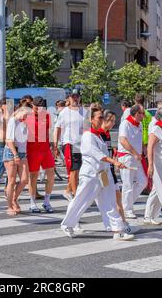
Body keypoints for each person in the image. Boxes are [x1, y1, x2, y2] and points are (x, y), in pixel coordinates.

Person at [61, 107, 133, 240]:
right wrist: (115, 162)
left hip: (103, 175)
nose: (102, 120)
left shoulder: (99, 136)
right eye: (100, 117)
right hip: (90, 176)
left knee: (109, 201)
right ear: (91, 120)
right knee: (81, 201)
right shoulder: (88, 135)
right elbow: (97, 155)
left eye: (102, 117)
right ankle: (67, 225)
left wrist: (113, 162)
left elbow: (105, 154)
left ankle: (118, 230)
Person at [26, 96, 56, 213]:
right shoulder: (27, 116)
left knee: (51, 174)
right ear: (32, 105)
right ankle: (32, 203)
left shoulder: (47, 115)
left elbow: (49, 131)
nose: (39, 109)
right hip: (32, 149)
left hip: (45, 149)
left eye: (41, 107)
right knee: (33, 176)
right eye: (36, 107)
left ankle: (46, 201)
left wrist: (53, 145)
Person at [117, 104, 147, 219]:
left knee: (143, 182)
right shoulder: (125, 123)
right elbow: (123, 140)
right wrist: (134, 153)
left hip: (136, 158)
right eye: (142, 113)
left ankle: (126, 204)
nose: (144, 115)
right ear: (136, 114)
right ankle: (127, 209)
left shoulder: (138, 124)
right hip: (127, 157)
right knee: (127, 184)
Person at [54, 92, 85, 201]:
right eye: (73, 97)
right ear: (69, 99)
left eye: (77, 96)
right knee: (73, 169)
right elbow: (57, 128)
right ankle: (76, 195)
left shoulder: (84, 111)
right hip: (69, 143)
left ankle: (67, 191)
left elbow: (87, 129)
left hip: (81, 144)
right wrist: (55, 145)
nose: (75, 99)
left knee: (78, 170)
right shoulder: (64, 112)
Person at [3, 103, 31, 216]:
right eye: (25, 115)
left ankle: (14, 198)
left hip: (22, 152)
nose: (26, 117)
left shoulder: (24, 122)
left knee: (24, 179)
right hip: (11, 152)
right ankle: (9, 205)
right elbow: (9, 141)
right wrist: (15, 154)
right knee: (12, 180)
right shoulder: (13, 121)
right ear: (19, 112)